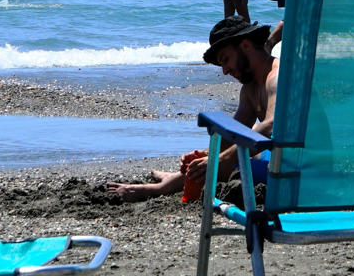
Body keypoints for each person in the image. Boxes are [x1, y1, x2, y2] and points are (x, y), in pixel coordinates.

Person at [111, 17, 277, 202]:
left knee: (230, 164)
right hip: (275, 156)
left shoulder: (276, 77)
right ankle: (170, 181)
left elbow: (271, 126)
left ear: (245, 46)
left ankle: (160, 188)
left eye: (225, 60)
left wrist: (221, 161)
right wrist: (206, 155)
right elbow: (234, 133)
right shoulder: (250, 89)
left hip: (298, 170)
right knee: (213, 161)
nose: (224, 71)